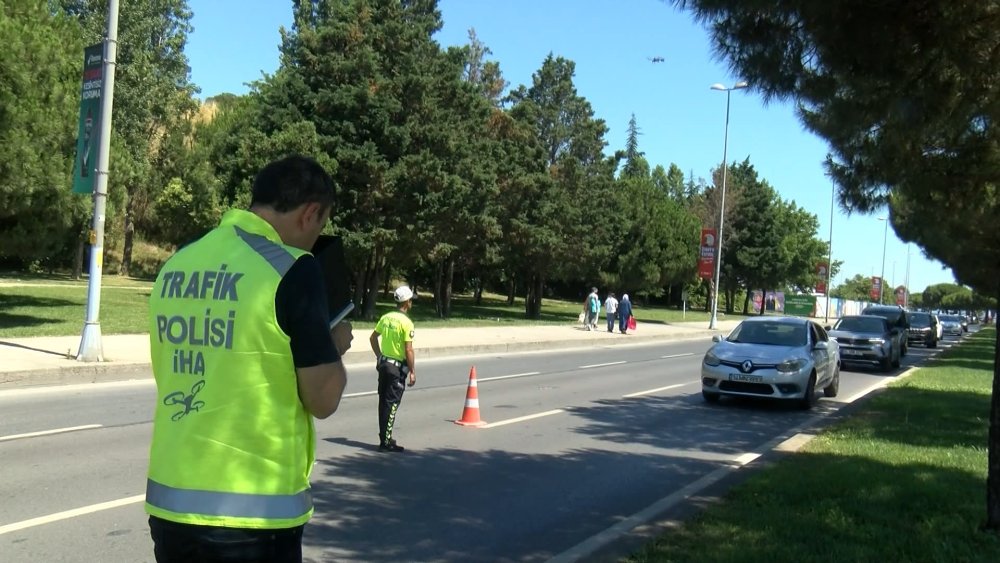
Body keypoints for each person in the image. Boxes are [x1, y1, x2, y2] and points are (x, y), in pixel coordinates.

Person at [145, 155, 353, 563]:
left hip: (170, 506)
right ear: (310, 213)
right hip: (253, 518)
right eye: (321, 225)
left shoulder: (178, 262)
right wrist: (334, 347)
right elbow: (323, 399)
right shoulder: (293, 269)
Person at [369, 284, 417, 452]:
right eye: (411, 300)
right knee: (392, 404)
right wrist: (412, 371)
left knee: (383, 402)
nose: (411, 303)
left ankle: (385, 437)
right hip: (396, 368)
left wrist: (379, 355)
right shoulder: (407, 323)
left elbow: (373, 338)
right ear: (406, 303)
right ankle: (386, 442)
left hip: (384, 365)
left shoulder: (386, 317)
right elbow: (408, 349)